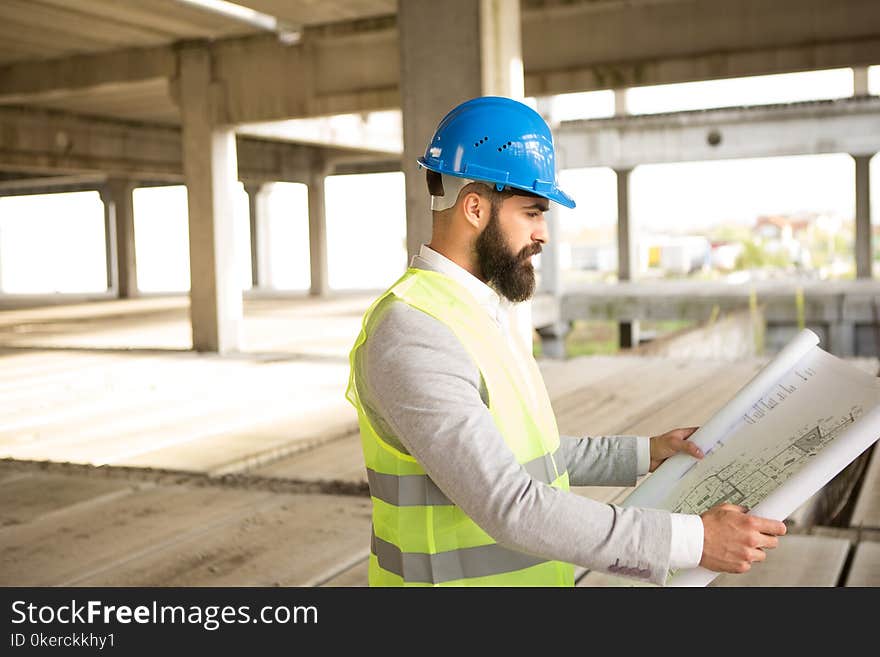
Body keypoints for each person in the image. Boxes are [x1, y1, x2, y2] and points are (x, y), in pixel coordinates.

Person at [344, 96, 786, 586]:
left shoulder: (475, 312)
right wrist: (694, 540)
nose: (544, 234)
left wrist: (642, 454)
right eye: (533, 212)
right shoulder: (414, 332)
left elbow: (523, 454)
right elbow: (508, 504)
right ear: (474, 207)